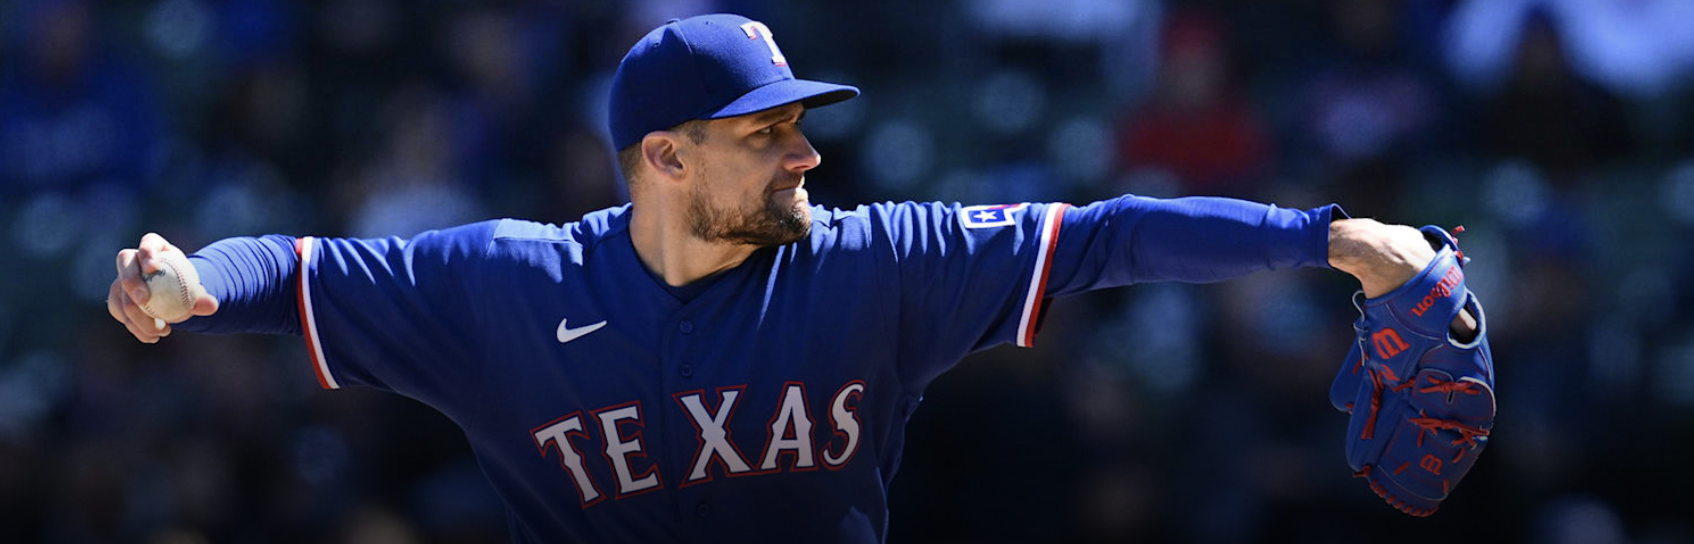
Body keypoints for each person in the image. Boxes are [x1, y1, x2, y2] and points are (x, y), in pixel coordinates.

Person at [107, 13, 1477, 543]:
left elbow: (1110, 233)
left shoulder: (874, 265)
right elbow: (292, 268)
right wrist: (187, 278)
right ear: (663, 157)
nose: (806, 154)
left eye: (800, 126)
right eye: (764, 134)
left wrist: (1338, 238)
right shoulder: (502, 286)